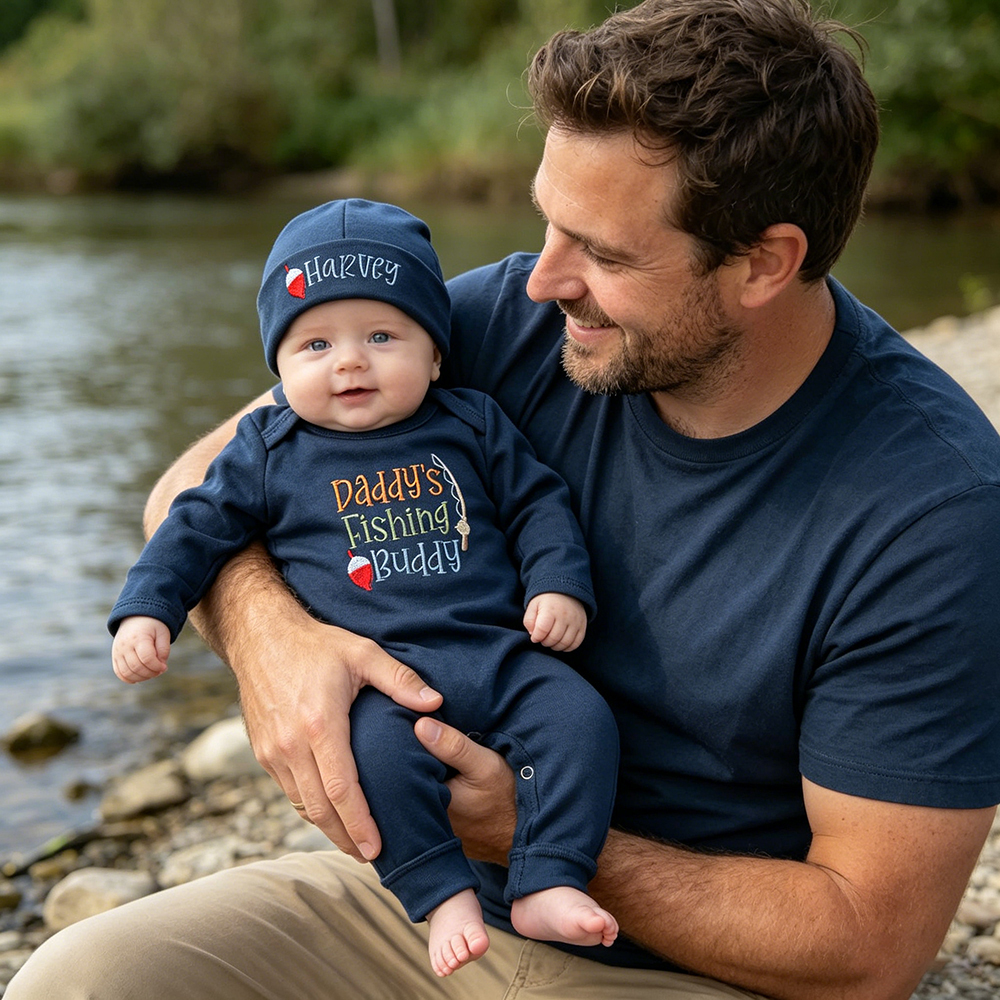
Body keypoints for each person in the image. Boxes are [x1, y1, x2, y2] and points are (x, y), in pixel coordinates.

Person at [10, 0, 1000, 998]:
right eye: (547, 222)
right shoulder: (509, 324)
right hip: (414, 899)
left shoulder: (930, 512)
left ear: (764, 262)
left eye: (604, 254)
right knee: (84, 975)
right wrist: (274, 642)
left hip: (683, 963)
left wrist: (540, 832)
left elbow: (866, 947)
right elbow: (189, 487)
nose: (543, 280)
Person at [106, 197, 620, 977]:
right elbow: (195, 525)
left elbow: (537, 505)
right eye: (314, 343)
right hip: (379, 681)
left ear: (437, 353)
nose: (349, 361)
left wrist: (558, 585)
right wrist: (148, 609)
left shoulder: (472, 422)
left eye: (382, 336)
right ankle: (440, 891)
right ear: (277, 367)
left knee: (579, 721)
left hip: (498, 653)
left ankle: (547, 875)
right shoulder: (269, 447)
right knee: (373, 762)